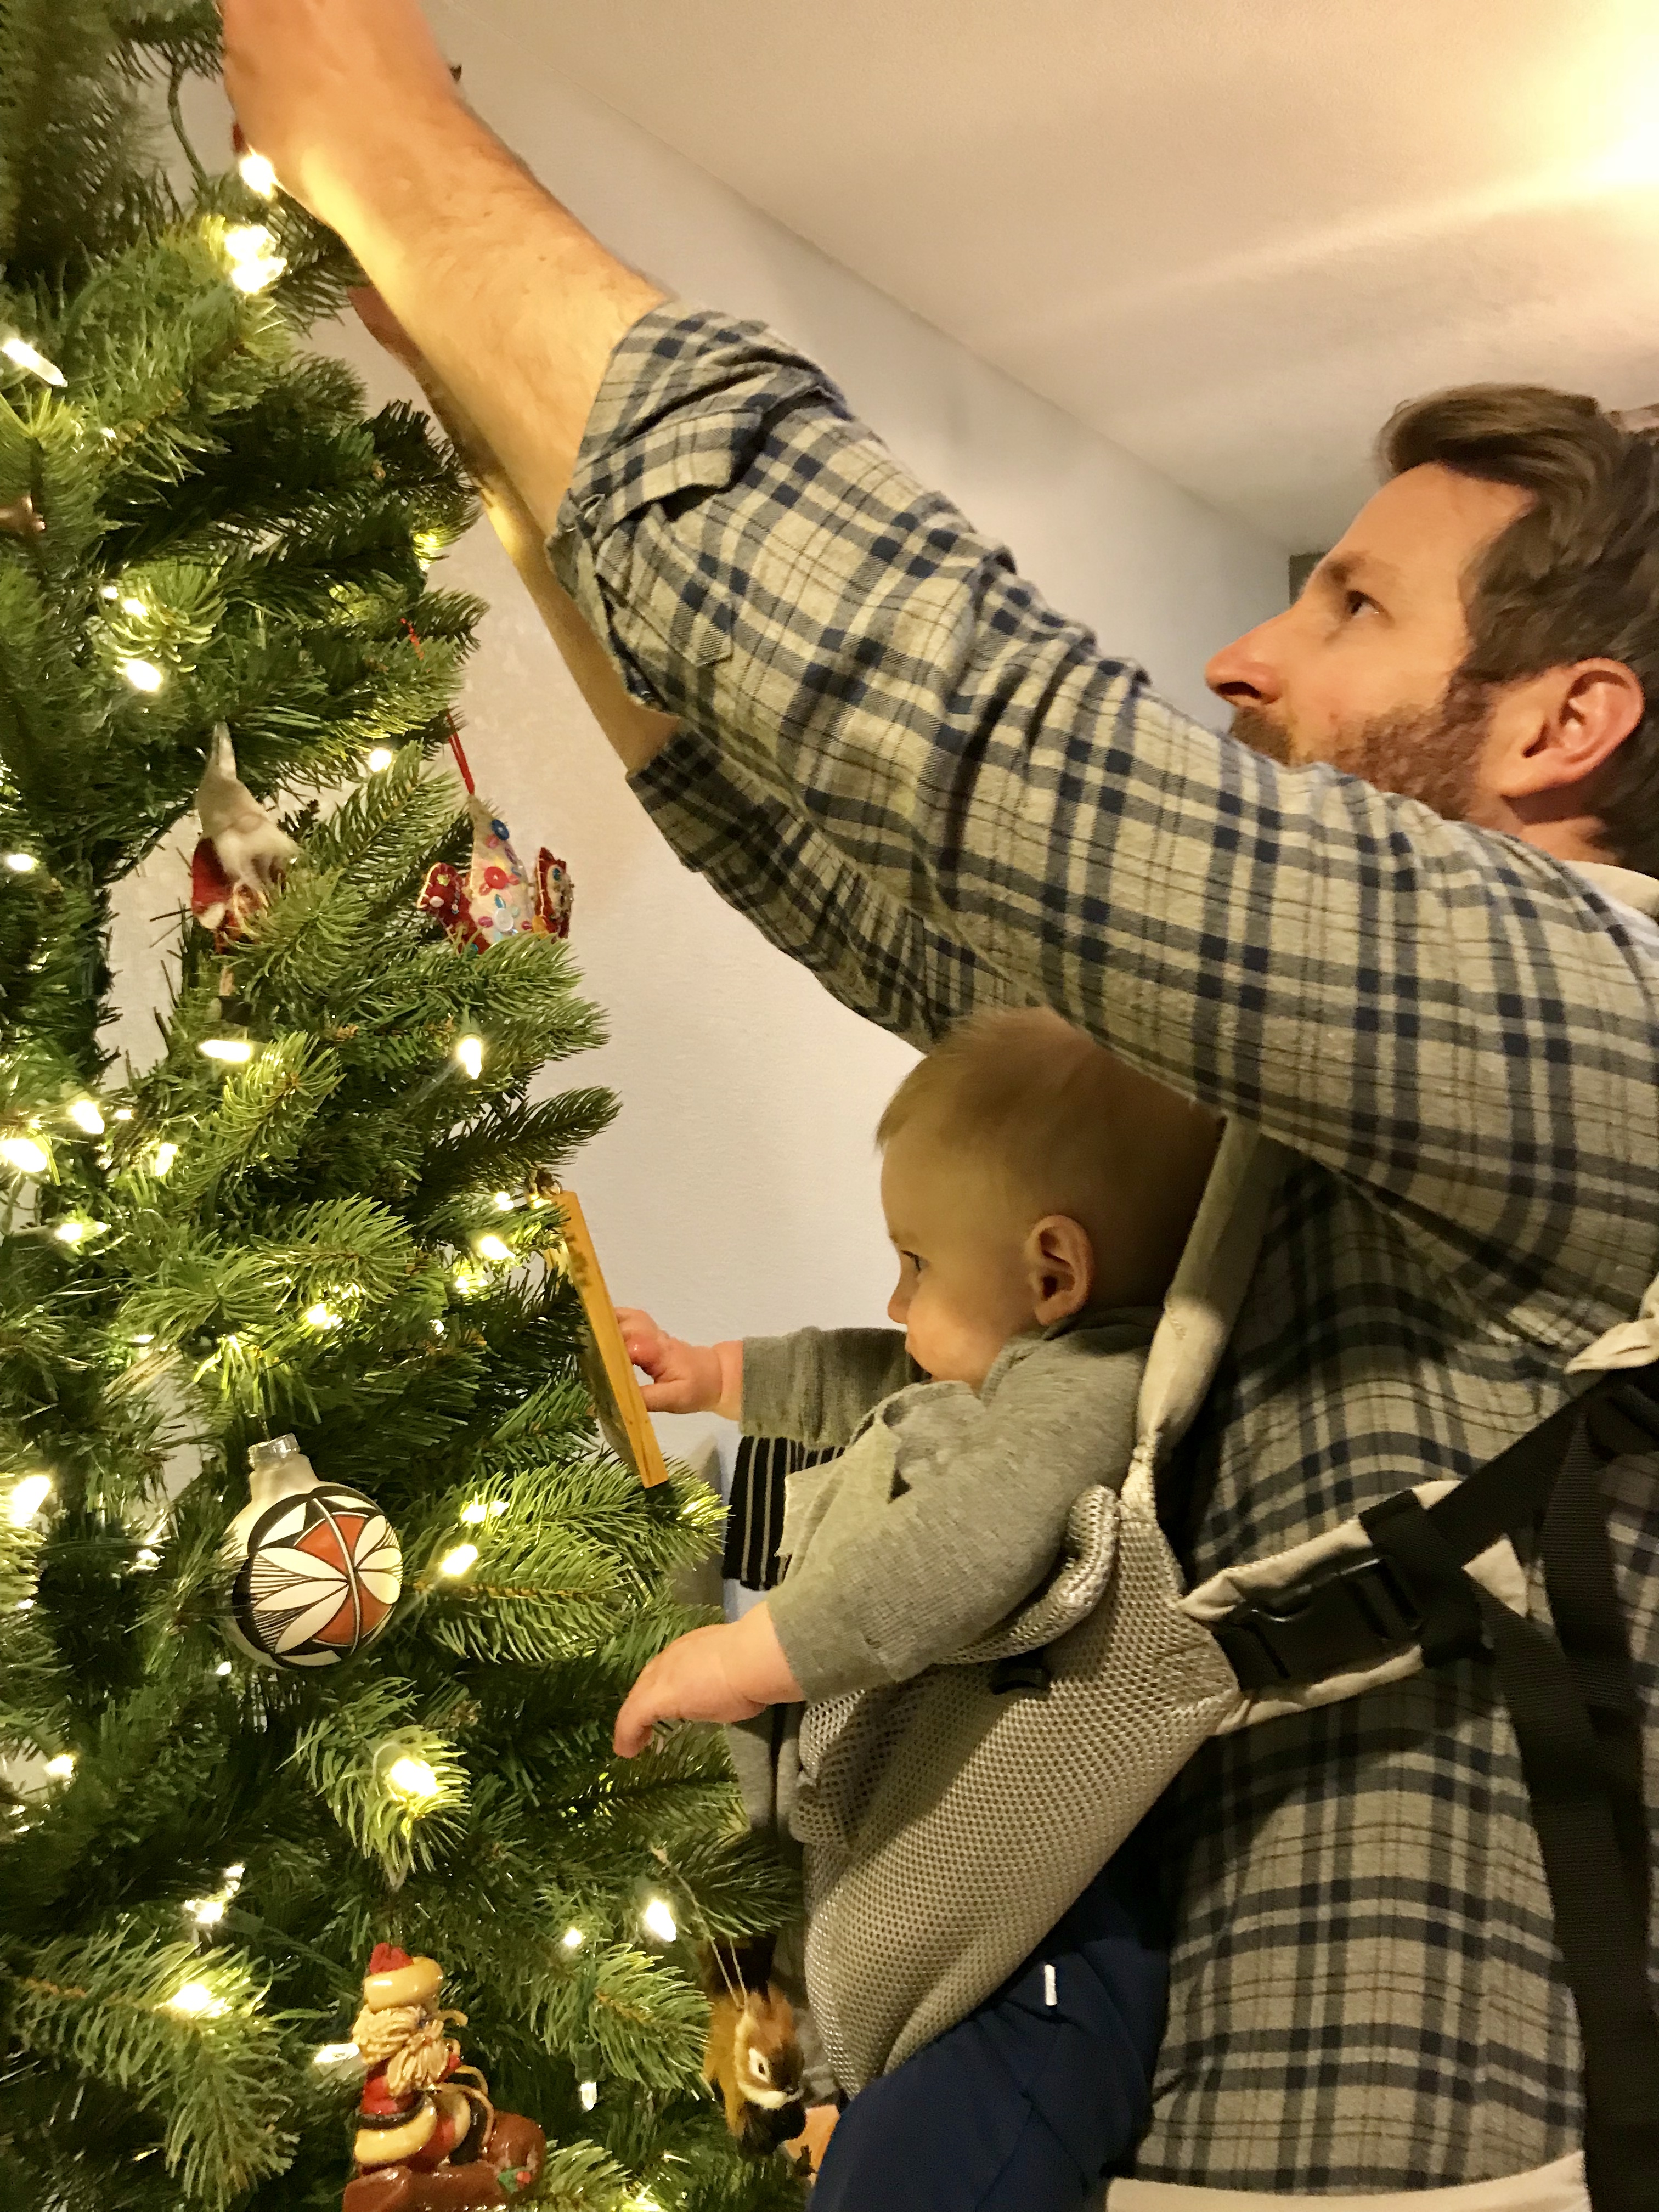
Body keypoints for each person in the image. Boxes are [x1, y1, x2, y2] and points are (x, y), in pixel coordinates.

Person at [221, 9, 1659, 2202]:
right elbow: (849, 867)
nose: (1248, 658)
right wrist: (496, 412)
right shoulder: (1326, 1113)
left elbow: (987, 746)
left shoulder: (1615, 1007)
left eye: (1350, 601)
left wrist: (393, 143)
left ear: (1572, 719)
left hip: (1423, 2145)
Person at [611, 1009, 1219, 2209]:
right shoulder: (1026, 1370)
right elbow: (871, 1373)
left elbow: (955, 1552)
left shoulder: (1088, 1395)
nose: (896, 1300)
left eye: (917, 1263)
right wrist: (718, 1373)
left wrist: (749, 1658)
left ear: (1054, 1270)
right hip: (962, 1959)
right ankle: (807, 2099)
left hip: (1037, 1958)